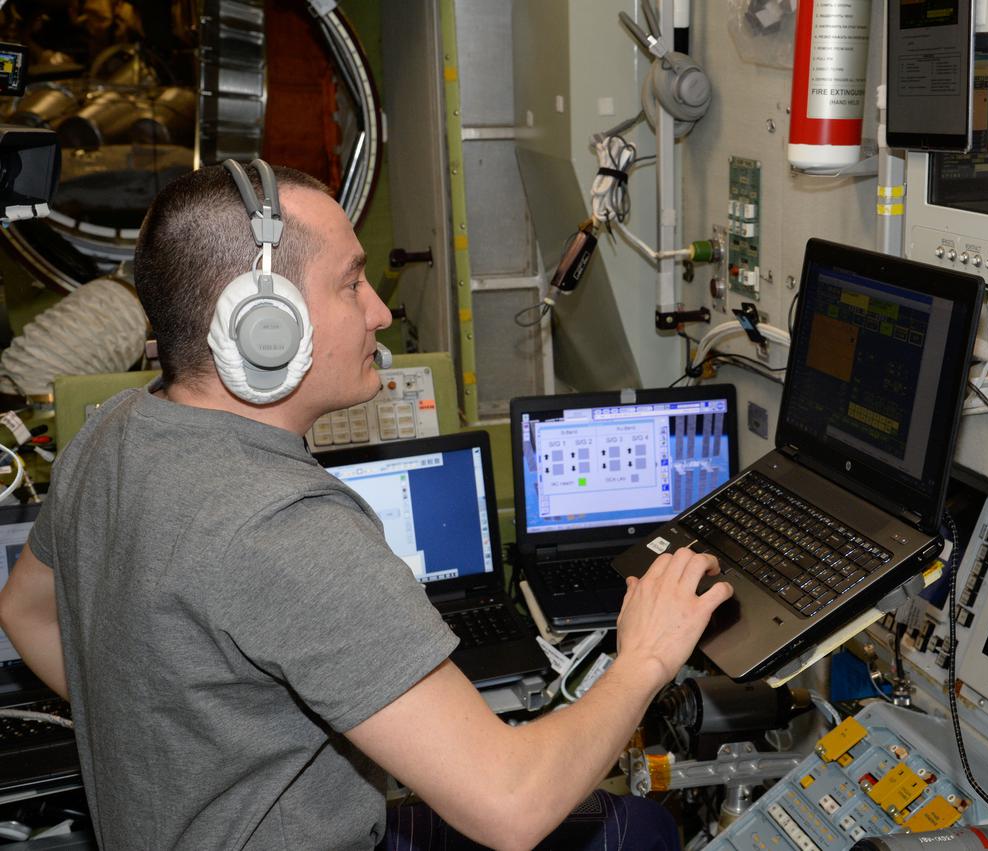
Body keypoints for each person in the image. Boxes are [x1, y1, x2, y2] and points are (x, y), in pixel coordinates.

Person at [0, 161, 733, 850]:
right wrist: (644, 656)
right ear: (265, 322)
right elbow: (514, 806)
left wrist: (182, 735)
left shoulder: (113, 431)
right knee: (635, 826)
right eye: (352, 284)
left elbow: (25, 611)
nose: (381, 312)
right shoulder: (287, 525)